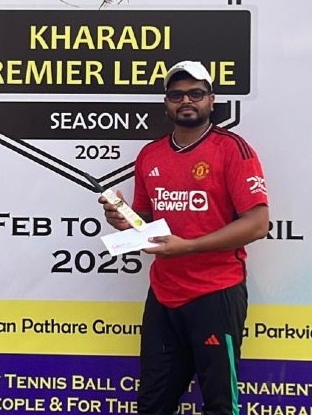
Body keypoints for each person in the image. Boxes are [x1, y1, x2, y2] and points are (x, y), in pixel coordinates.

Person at [99, 60, 269, 415]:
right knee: (152, 403)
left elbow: (257, 224)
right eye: (176, 95)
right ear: (167, 102)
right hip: (164, 294)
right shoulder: (150, 154)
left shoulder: (232, 149)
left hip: (215, 292)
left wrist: (188, 246)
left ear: (211, 100)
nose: (186, 101)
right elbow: (146, 220)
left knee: (220, 405)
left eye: (196, 93)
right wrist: (124, 219)